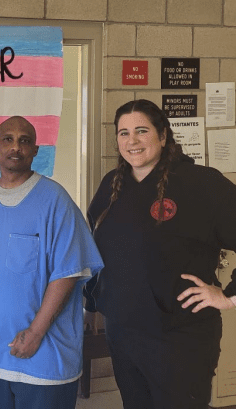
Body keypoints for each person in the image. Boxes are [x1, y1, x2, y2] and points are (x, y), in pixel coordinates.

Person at [85, 99, 236, 409]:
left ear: (163, 135)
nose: (132, 141)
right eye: (124, 133)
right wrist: (92, 303)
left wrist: (228, 297)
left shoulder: (202, 184)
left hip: (180, 339)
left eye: (142, 130)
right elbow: (96, 251)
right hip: (123, 334)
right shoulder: (112, 185)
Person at [0, 116, 104, 409]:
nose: (16, 147)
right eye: (8, 139)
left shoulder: (55, 201)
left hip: (45, 355)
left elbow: (68, 274)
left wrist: (36, 333)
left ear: (36, 150)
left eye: (24, 141)